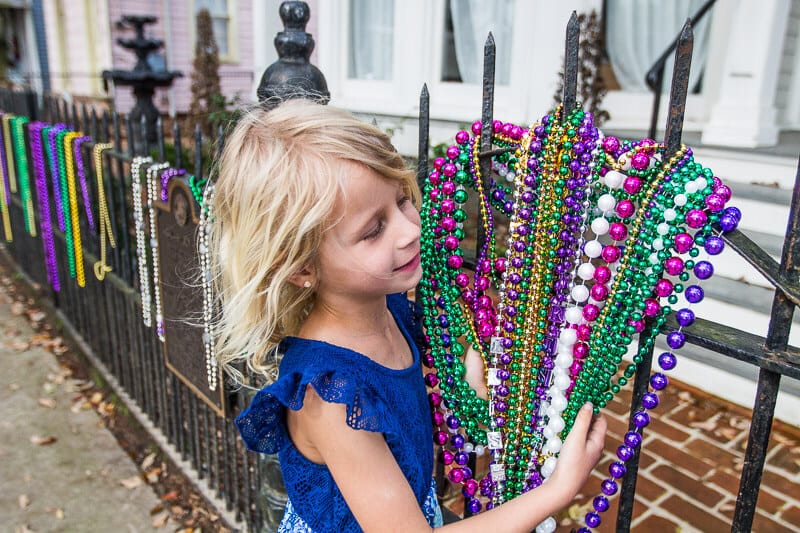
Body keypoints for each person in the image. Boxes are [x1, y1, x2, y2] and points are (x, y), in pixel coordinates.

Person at [209, 99, 607, 532]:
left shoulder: (393, 310)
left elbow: (414, 415)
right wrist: (558, 491)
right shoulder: (330, 394)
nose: (411, 230)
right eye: (374, 229)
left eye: (402, 201)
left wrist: (473, 376)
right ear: (301, 267)